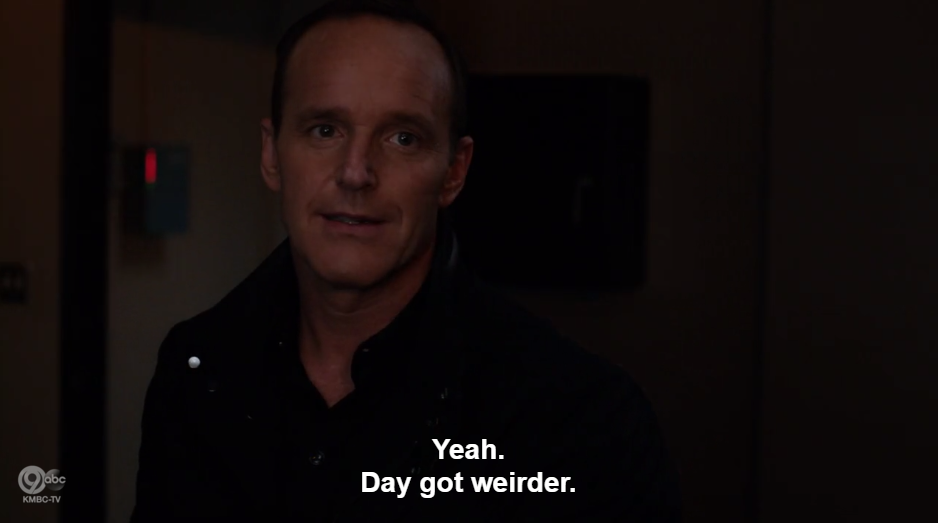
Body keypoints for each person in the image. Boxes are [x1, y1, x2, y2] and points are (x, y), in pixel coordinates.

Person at [130, 1, 681, 521]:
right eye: (325, 130)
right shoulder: (197, 370)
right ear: (272, 154)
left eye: (402, 138)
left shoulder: (575, 415)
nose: (355, 172)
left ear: (454, 171)